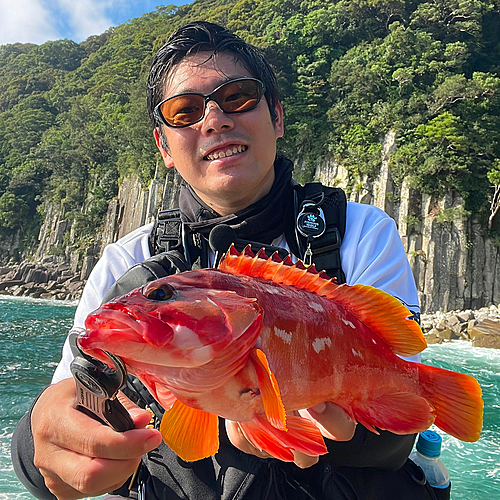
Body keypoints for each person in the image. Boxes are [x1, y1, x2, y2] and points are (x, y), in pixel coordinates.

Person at [12, 21, 446, 500]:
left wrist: (358, 436)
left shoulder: (360, 233)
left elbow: (400, 412)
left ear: (277, 118)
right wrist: (41, 442)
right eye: (184, 111)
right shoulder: (127, 264)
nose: (214, 120)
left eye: (238, 96)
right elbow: (68, 412)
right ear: (163, 147)